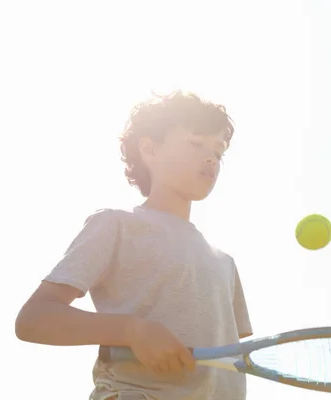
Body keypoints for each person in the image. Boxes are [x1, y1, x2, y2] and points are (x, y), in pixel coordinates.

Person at [15, 91, 253, 400]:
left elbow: (232, 360)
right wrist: (132, 330)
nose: (211, 158)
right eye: (196, 144)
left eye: (218, 151)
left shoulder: (225, 263)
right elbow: (33, 320)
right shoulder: (116, 225)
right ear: (150, 150)